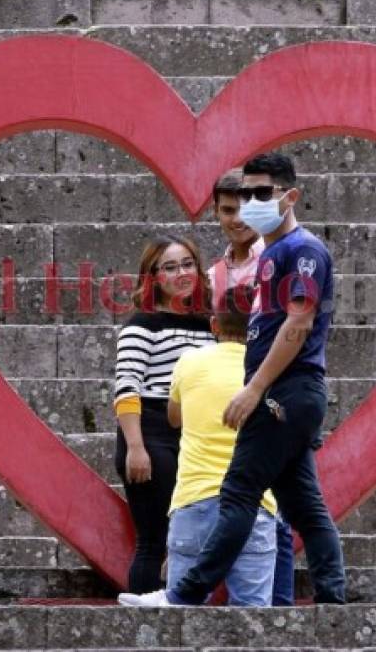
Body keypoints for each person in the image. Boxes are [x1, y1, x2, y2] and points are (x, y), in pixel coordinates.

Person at [118, 152, 346, 607]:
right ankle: (332, 601)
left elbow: (298, 322)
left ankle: (184, 594)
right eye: (244, 195)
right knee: (304, 505)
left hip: (284, 392)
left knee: (240, 491)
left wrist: (256, 387)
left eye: (263, 194)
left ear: (290, 196)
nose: (250, 205)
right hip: (287, 393)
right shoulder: (273, 255)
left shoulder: (302, 251)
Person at [208, 168, 296, 606]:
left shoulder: (279, 256)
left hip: (271, 391)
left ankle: (277, 611)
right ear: (216, 212)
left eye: (245, 207)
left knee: (276, 509)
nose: (236, 218)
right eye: (227, 210)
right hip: (228, 391)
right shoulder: (213, 275)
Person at [113, 235, 215, 593]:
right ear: (153, 276)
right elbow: (127, 388)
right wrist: (135, 447)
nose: (182, 273)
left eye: (188, 264)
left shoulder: (211, 326)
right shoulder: (142, 324)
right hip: (151, 432)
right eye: (170, 267)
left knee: (190, 539)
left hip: (195, 436)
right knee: (155, 540)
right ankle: (143, 626)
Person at [164, 286, 278, 605]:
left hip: (195, 499)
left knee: (180, 617)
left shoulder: (189, 363)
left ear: (214, 324)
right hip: (254, 504)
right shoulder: (271, 372)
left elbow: (174, 417)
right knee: (253, 617)